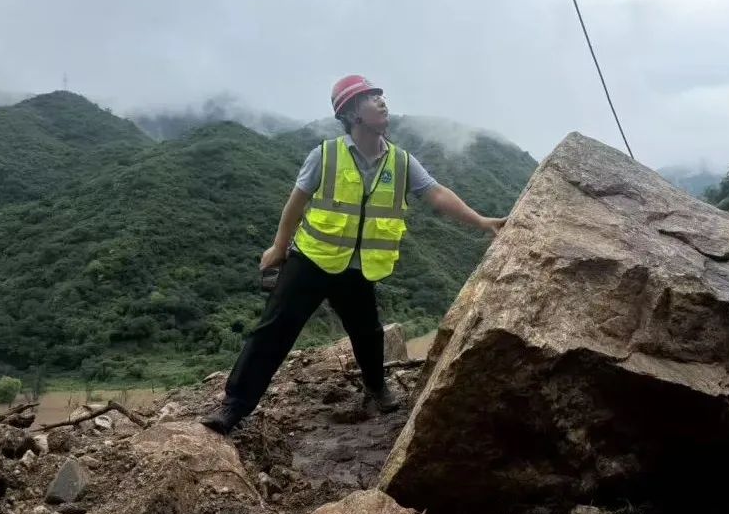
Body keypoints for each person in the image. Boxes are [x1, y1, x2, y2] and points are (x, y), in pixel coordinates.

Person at [201, 75, 506, 434]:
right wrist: (279, 248)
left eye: (381, 96)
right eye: (371, 98)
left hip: (358, 268)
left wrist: (481, 221)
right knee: (274, 331)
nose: (382, 102)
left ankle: (376, 386)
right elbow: (295, 205)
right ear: (351, 113)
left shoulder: (401, 162)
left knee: (368, 334)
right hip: (311, 259)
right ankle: (234, 406)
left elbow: (438, 194)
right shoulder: (325, 155)